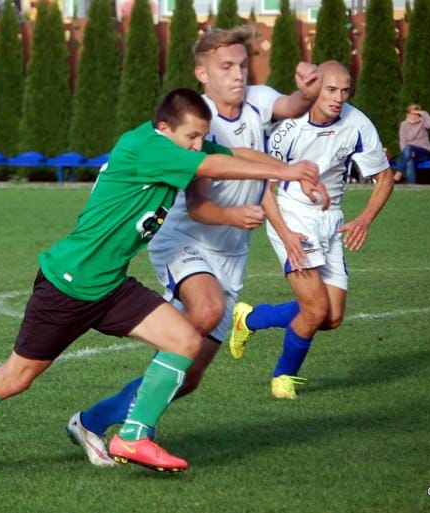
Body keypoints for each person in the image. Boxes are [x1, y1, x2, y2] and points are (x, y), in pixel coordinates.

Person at [0, 88, 323, 484]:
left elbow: (231, 153)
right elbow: (212, 166)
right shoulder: (147, 147)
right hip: (69, 285)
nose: (197, 145)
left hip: (110, 285)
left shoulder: (178, 144)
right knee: (14, 378)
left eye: (201, 137)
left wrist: (288, 170)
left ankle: (134, 436)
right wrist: (286, 169)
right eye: (191, 137)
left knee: (184, 341)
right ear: (164, 129)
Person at [67, 26, 326, 467]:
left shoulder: (259, 102)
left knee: (187, 378)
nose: (237, 75)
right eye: (226, 67)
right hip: (186, 237)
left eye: (242, 65)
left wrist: (306, 94)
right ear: (202, 74)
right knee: (202, 313)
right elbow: (200, 203)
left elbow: (286, 112)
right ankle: (136, 434)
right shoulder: (196, 118)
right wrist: (243, 206)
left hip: (231, 253)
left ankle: (90, 421)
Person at [228, 61, 395, 399]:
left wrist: (363, 219)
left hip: (331, 219)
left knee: (331, 317)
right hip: (291, 216)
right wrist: (286, 234)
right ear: (316, 88)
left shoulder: (358, 123)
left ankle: (250, 318)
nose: (338, 98)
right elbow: (265, 185)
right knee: (315, 309)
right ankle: (283, 377)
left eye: (345, 90)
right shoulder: (288, 129)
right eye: (331, 90)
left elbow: (385, 177)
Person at [392, 104, 430, 184]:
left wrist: (424, 113)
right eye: (412, 114)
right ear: (408, 114)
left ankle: (399, 172)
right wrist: (407, 153)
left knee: (408, 147)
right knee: (409, 161)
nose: (414, 116)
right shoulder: (404, 124)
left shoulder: (423, 122)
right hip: (409, 153)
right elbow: (402, 141)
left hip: (423, 151)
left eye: (417, 114)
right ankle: (412, 187)